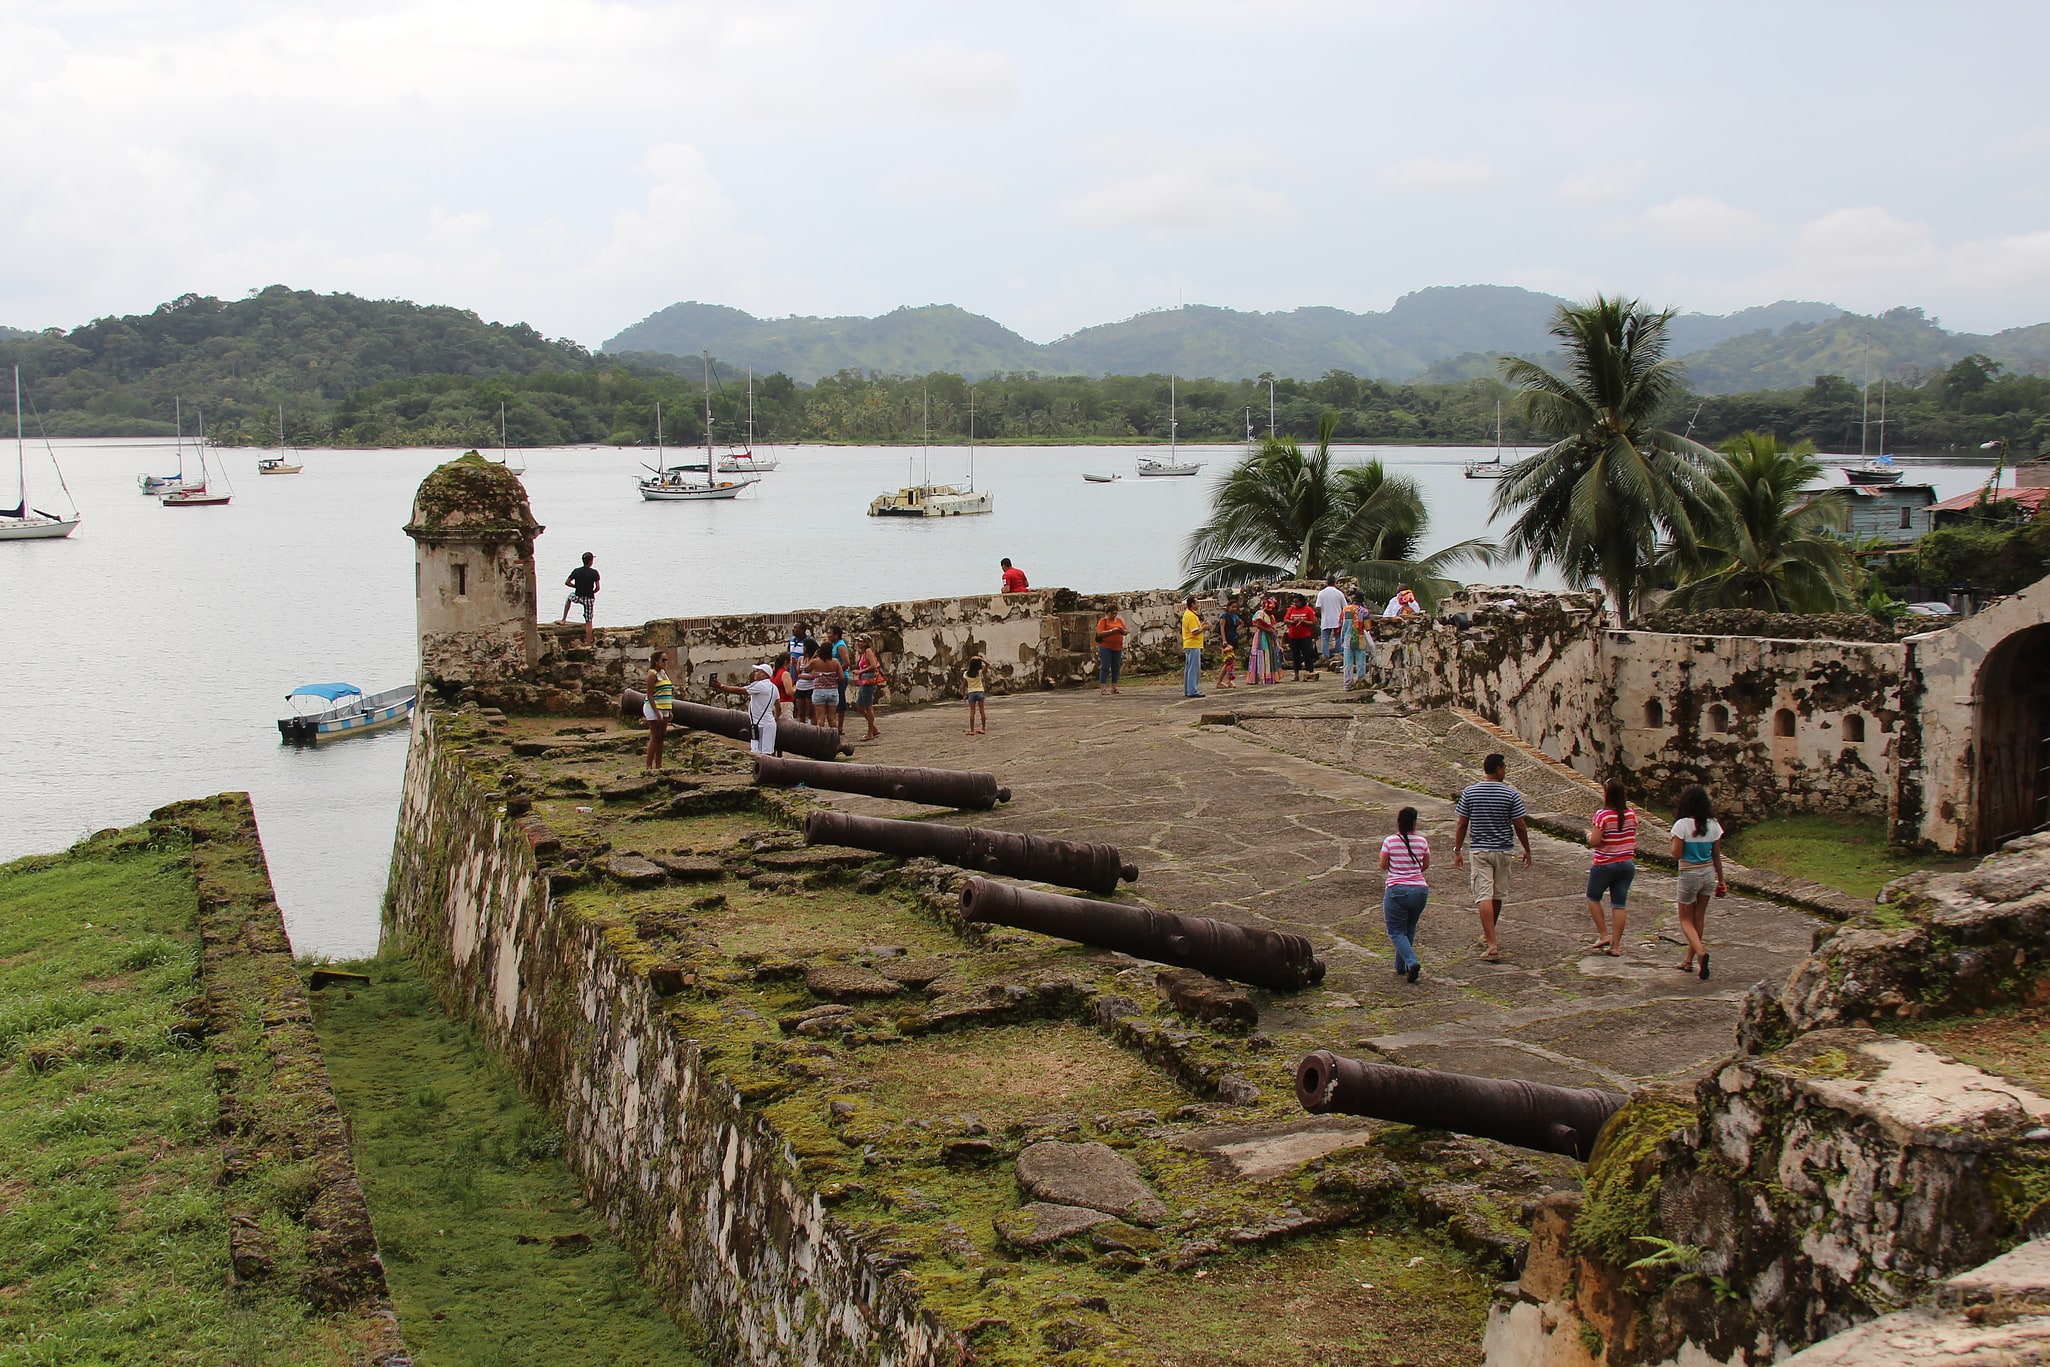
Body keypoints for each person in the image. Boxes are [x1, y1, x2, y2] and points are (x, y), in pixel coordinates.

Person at [1452, 753, 1532, 963]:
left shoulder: (1470, 792)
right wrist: (1527, 849)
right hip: (1503, 849)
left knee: (1483, 895)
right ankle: (1489, 936)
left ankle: (1491, 942)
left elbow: (1462, 823)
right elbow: (1520, 825)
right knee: (1497, 895)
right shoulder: (1511, 794)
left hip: (1480, 850)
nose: (1505, 771)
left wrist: (1457, 849)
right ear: (1498, 769)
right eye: (1504, 767)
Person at [1670, 784, 1726, 980]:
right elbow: (1717, 855)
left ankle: (1701, 953)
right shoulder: (1713, 825)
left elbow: (1676, 854)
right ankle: (1688, 960)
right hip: (1708, 874)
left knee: (1685, 919)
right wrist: (1722, 881)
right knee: (1699, 918)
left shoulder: (1682, 825)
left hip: (1689, 874)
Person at [1586, 779, 1639, 956]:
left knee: (1593, 898)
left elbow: (1595, 841)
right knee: (1619, 904)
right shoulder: (1631, 814)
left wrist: (1588, 835)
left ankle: (1603, 934)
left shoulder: (1602, 815)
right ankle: (1616, 946)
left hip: (1605, 864)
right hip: (1626, 863)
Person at [1379, 806, 1431, 983]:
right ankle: (1401, 966)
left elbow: (1383, 864)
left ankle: (1411, 961)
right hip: (1420, 890)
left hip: (1397, 889)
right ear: (1415, 822)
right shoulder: (1422, 842)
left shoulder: (1390, 841)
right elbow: (1425, 865)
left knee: (1395, 930)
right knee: (1408, 928)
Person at [711, 663, 782, 756]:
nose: (755, 673)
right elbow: (778, 707)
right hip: (766, 724)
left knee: (760, 754)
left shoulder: (760, 685)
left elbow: (740, 690)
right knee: (766, 753)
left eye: (758, 671)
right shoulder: (774, 688)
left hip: (760, 725)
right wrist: (776, 719)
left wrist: (721, 686)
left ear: (764, 674)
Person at [642, 649, 674, 771]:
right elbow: (650, 695)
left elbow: (667, 693)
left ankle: (659, 765)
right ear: (656, 662)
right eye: (663, 660)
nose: (666, 662)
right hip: (654, 708)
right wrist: (657, 713)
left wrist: (669, 710)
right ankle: (648, 765)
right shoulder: (652, 674)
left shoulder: (664, 673)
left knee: (661, 737)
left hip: (664, 708)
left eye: (666, 660)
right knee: (655, 737)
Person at [560, 552, 600, 647]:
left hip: (578, 596)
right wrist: (591, 592)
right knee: (588, 621)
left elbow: (567, 582)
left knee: (569, 598)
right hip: (589, 598)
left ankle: (563, 619)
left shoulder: (576, 571)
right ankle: (588, 643)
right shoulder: (594, 573)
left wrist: (576, 586)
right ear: (591, 561)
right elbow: (598, 588)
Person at [852, 634, 886, 741]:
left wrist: (860, 671)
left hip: (869, 679)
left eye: (860, 641)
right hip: (864, 679)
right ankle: (873, 728)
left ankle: (870, 732)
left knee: (867, 706)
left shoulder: (868, 652)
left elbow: (873, 665)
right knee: (861, 706)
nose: (858, 643)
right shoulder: (863, 653)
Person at [804, 646, 845, 734]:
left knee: (820, 718)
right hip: (833, 691)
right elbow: (841, 677)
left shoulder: (815, 662)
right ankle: (835, 738)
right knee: (832, 718)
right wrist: (832, 681)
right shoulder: (835, 662)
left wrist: (813, 656)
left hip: (819, 691)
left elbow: (806, 669)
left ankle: (820, 739)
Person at [1340, 592, 1375, 691]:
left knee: (1347, 663)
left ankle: (1347, 684)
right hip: (1360, 638)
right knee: (1360, 662)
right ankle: (1360, 682)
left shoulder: (1346, 609)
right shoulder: (1364, 611)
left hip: (1347, 638)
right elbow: (1368, 627)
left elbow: (1342, 625)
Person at [1093, 601, 1128, 696]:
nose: (1114, 615)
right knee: (1105, 666)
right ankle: (1103, 688)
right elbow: (1100, 633)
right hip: (1106, 647)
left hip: (1117, 647)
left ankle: (1114, 687)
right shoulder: (1103, 621)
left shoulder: (1119, 621)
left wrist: (1121, 631)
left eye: (1116, 613)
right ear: (1108, 613)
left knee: (1116, 667)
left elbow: (1126, 631)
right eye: (1113, 613)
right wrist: (1112, 631)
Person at [1283, 594, 1318, 680]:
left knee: (1307, 654)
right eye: (1294, 602)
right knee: (1295, 655)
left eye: (1297, 602)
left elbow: (1313, 622)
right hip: (1293, 636)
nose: (1295, 604)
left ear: (1301, 602)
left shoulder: (1308, 609)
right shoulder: (1291, 609)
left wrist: (1304, 622)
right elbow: (1285, 620)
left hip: (1305, 636)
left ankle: (1310, 673)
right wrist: (1293, 621)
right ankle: (1296, 674)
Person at [1180, 595, 1206, 698]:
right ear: (1192, 604)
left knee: (1189, 668)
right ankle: (1192, 690)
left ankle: (1188, 689)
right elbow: (1194, 631)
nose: (1198, 605)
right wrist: (1203, 628)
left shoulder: (1190, 615)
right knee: (1193, 668)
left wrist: (1202, 626)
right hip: (1193, 644)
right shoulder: (1191, 616)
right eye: (1197, 603)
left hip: (1190, 644)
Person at [1316, 577, 1348, 659]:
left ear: (1327, 582)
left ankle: (1326, 655)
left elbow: (1318, 607)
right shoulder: (1339, 593)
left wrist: (1320, 615)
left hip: (1326, 619)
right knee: (1338, 638)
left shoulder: (1321, 593)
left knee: (1325, 639)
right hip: (1337, 619)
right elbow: (1345, 607)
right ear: (1335, 582)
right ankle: (1337, 655)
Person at [1249, 597, 1278, 686]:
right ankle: (1260, 677)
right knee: (1261, 654)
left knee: (1269, 654)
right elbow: (1258, 625)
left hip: (1269, 637)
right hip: (1262, 636)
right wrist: (1268, 630)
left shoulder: (1270, 615)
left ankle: (1269, 677)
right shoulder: (1261, 613)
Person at [829, 626, 854, 730]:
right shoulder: (834, 645)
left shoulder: (840, 646)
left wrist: (837, 673)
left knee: (841, 701)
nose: (828, 635)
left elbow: (846, 662)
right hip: (836, 676)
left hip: (841, 677)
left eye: (830, 633)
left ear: (836, 634)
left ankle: (840, 726)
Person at [792, 630, 817, 724]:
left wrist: (801, 675)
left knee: (811, 712)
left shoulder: (814, 660)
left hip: (810, 687)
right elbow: (796, 674)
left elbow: (812, 676)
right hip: (800, 687)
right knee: (801, 712)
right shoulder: (801, 659)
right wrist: (794, 666)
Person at [963, 652, 989, 734]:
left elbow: (964, 685)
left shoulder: (966, 673)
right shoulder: (980, 672)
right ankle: (983, 729)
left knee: (972, 712)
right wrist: (980, 658)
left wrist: (964, 694)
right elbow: (988, 664)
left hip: (971, 693)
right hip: (980, 692)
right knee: (982, 711)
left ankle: (971, 730)